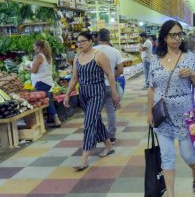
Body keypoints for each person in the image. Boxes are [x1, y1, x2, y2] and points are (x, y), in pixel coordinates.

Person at [147, 20, 195, 197]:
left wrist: (192, 75)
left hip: (185, 115)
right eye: (173, 35)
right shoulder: (155, 60)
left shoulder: (189, 57)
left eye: (180, 34)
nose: (178, 38)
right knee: (167, 156)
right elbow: (152, 88)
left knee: (188, 154)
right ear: (164, 37)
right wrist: (149, 113)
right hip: (162, 115)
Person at [64, 31, 120, 171]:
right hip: (83, 93)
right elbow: (74, 78)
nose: (80, 44)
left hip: (97, 93)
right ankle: (108, 145)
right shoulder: (77, 57)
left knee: (89, 123)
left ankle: (84, 159)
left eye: (83, 41)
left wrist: (114, 93)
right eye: (78, 42)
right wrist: (67, 94)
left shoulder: (98, 55)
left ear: (90, 41)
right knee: (96, 120)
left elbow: (110, 75)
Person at [93, 28, 124, 144]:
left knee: (95, 111)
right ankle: (111, 135)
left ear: (98, 37)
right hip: (110, 85)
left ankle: (97, 134)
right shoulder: (115, 52)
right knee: (110, 111)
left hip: (96, 86)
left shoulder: (93, 51)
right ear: (109, 37)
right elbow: (120, 70)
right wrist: (111, 75)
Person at [28, 40, 62, 127]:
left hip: (40, 82)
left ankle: (53, 121)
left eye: (34, 46)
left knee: (44, 102)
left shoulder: (39, 56)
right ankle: (54, 120)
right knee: (48, 101)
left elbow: (34, 70)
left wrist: (27, 69)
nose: (33, 48)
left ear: (39, 47)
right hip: (48, 82)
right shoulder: (48, 56)